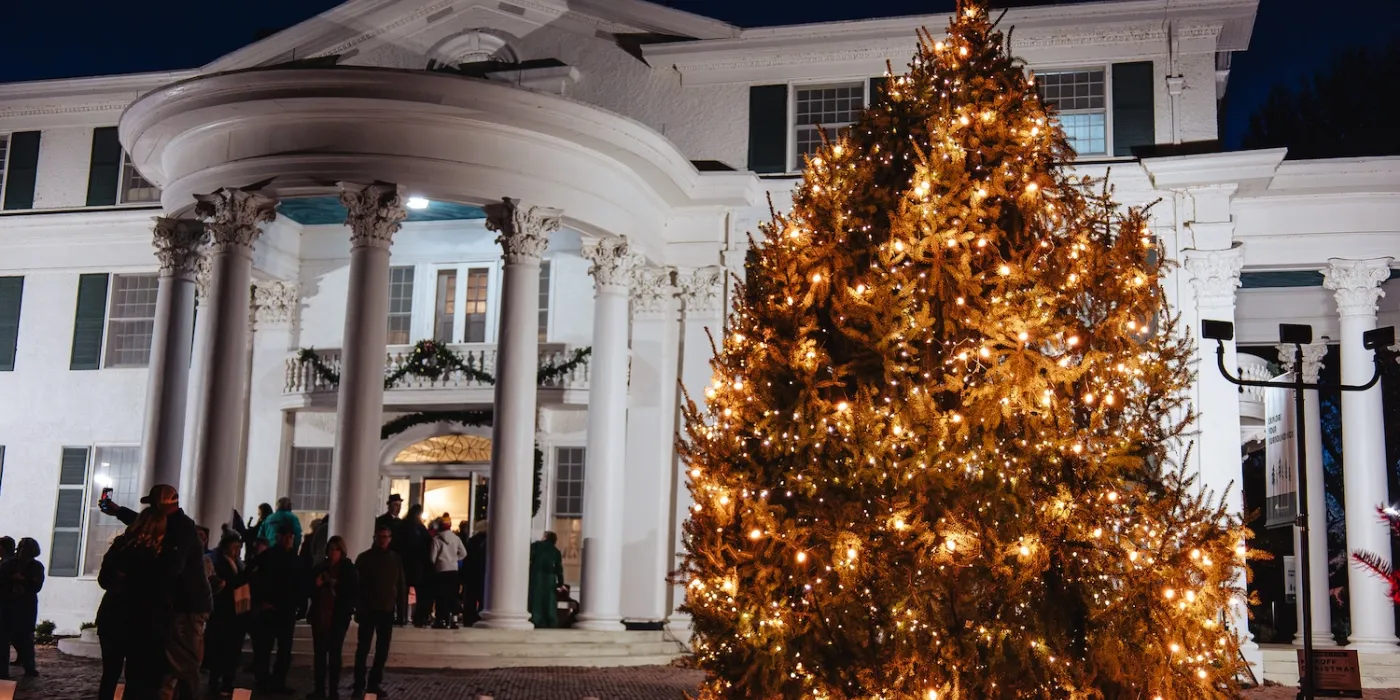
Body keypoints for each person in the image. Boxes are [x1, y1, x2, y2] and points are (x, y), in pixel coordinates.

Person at [100, 484, 212, 700]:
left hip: (182, 608)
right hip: (150, 616)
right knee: (147, 672)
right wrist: (119, 511)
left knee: (181, 664)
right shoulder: (163, 534)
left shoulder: (178, 531)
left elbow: (169, 570)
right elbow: (148, 524)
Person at [96, 508, 168, 700]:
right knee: (135, 676)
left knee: (110, 673)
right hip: (140, 620)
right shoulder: (158, 552)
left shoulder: (121, 545)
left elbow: (104, 579)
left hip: (114, 616)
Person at [249, 527, 308, 694]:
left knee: (283, 649)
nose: (290, 539)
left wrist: (300, 605)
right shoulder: (269, 557)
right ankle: (265, 681)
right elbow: (255, 579)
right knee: (265, 647)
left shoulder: (294, 559)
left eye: (291, 536)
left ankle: (276, 681)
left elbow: (299, 584)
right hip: (272, 607)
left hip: (286, 608)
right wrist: (261, 601)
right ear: (279, 537)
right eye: (287, 536)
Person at [354, 525, 404, 698]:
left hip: (386, 609)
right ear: (375, 537)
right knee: (363, 648)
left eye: (386, 537)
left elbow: (400, 585)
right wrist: (358, 607)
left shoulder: (395, 558)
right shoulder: (364, 558)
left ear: (390, 539)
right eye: (381, 536)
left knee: (382, 650)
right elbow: (357, 586)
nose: (383, 540)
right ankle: (359, 683)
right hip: (368, 609)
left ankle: (374, 683)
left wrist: (401, 610)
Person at [309, 536, 358, 700]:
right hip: (320, 616)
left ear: (341, 551)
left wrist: (335, 584)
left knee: (335, 654)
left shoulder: (348, 569)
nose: (332, 553)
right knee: (320, 654)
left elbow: (351, 591)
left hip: (338, 617)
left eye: (335, 549)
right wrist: (317, 583)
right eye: (330, 549)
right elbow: (310, 589)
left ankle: (333, 690)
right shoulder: (320, 567)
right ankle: (319, 689)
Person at [206, 533, 249, 696]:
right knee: (221, 648)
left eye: (239, 547)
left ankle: (227, 681)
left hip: (237, 611)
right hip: (224, 612)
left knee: (232, 650)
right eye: (235, 547)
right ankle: (216, 680)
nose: (238, 550)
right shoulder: (219, 563)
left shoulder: (239, 564)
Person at [0, 538, 44, 678]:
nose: (22, 551)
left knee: (25, 639)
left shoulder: (36, 566)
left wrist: (23, 581)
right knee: (4, 639)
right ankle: (3, 672)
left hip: (26, 607)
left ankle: (29, 668)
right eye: (21, 547)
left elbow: (36, 586)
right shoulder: (8, 565)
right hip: (8, 606)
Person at [393, 505, 430, 627]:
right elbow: (427, 545)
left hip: (404, 562)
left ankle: (401, 617)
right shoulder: (420, 529)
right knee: (420, 591)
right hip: (417, 564)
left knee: (402, 592)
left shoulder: (402, 526)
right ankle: (419, 618)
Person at [428, 517, 466, 629]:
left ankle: (441, 620)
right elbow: (464, 553)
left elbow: (432, 558)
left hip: (441, 570)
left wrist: (439, 562)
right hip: (453, 570)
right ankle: (454, 620)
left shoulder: (436, 539)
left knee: (441, 596)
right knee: (453, 595)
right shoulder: (456, 538)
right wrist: (454, 559)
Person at [375, 496, 404, 623]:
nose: (398, 508)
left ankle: (399, 614)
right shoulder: (382, 520)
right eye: (396, 505)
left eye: (399, 505)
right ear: (389, 505)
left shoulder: (401, 522)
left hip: (397, 557)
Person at [527, 532, 564, 629]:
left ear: (545, 537)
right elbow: (559, 569)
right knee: (549, 600)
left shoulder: (536, 546)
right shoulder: (556, 551)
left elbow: (528, 557)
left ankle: (536, 619)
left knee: (536, 599)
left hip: (536, 576)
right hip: (550, 579)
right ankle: (550, 621)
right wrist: (560, 583)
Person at [461, 520, 488, 626]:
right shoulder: (491, 541)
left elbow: (467, 558)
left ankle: (468, 618)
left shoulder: (472, 541)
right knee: (482, 596)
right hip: (483, 573)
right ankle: (481, 616)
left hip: (472, 573)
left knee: (470, 597)